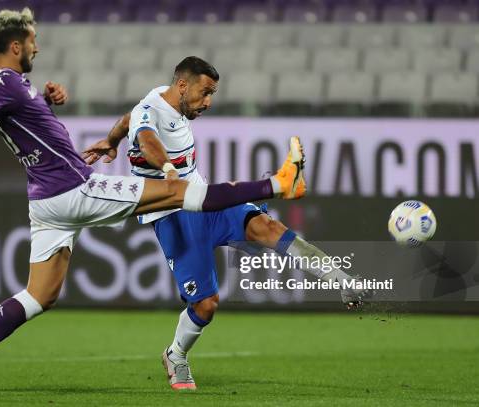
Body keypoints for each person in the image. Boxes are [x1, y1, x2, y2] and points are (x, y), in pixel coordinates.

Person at [0, 9, 305, 400]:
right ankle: (277, 183)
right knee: (180, 192)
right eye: (33, 40)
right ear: (16, 45)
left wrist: (46, 103)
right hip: (75, 189)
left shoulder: (4, 82)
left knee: (39, 295)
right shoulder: (7, 85)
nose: (37, 45)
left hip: (43, 202)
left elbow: (17, 119)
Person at [82, 56, 368, 391]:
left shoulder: (161, 95)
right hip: (172, 212)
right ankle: (176, 354)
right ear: (183, 85)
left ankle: (341, 280)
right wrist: (169, 170)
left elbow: (128, 119)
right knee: (206, 304)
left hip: (203, 201)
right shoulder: (153, 111)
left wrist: (111, 141)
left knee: (268, 227)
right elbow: (146, 138)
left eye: (212, 94)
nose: (208, 102)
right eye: (205, 93)